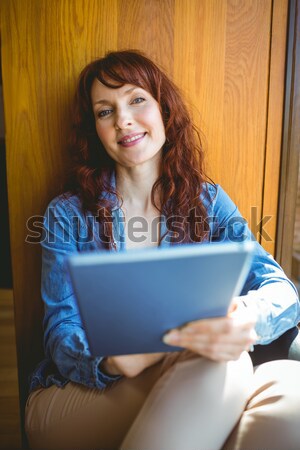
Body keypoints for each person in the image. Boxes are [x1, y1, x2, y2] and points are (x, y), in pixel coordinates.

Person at [25, 50, 300, 450]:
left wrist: (242, 316)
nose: (123, 120)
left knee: (291, 392)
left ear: (163, 109)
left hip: (191, 376)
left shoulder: (208, 202)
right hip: (82, 394)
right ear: (95, 130)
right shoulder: (67, 214)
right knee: (223, 363)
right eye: (105, 112)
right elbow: (60, 331)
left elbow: (283, 291)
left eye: (137, 99)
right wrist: (112, 359)